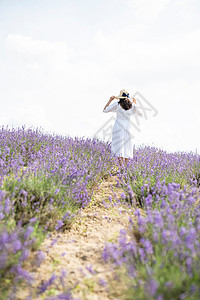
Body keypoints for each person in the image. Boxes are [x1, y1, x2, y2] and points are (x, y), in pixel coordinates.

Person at [103, 89, 143, 167]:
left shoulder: (117, 104)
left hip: (118, 126)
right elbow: (140, 113)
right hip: (128, 127)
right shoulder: (132, 105)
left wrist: (109, 100)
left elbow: (105, 110)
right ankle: (126, 166)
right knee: (127, 145)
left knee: (119, 145)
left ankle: (121, 166)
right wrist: (136, 103)